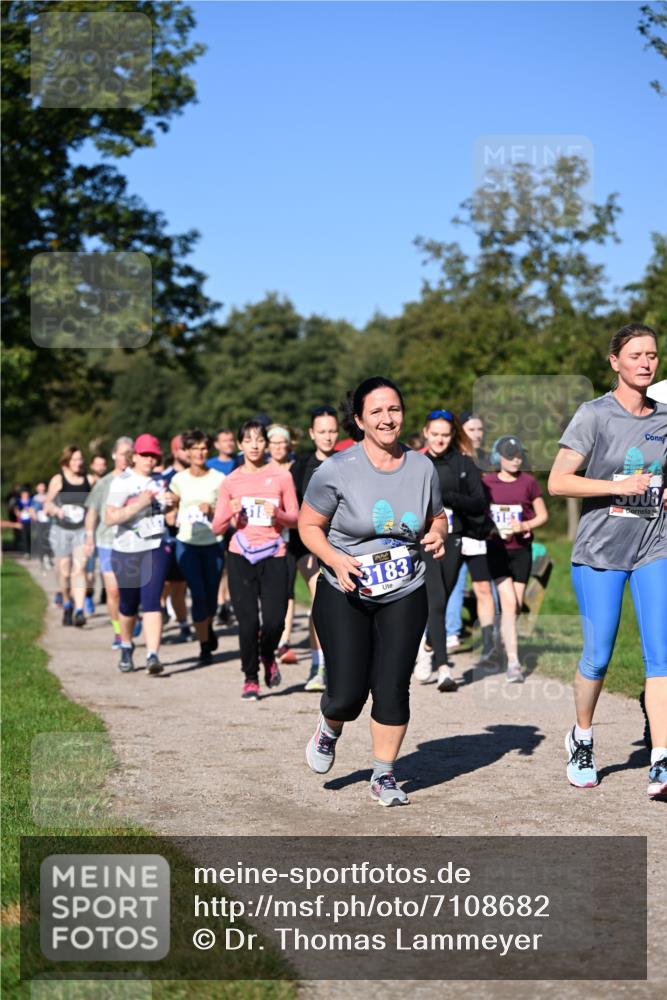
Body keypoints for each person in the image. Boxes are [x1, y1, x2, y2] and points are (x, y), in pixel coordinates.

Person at [299, 377, 447, 807]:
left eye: (394, 409)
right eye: (377, 411)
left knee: (392, 684)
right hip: (345, 589)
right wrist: (335, 558)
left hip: (405, 588)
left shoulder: (422, 467)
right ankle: (330, 728)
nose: (387, 418)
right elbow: (308, 527)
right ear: (360, 419)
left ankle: (383, 775)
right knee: (346, 693)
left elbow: (437, 517)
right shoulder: (336, 470)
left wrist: (437, 534)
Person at [548, 323, 666, 799]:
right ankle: (582, 737)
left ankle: (660, 757)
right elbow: (559, 481)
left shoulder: (666, 419)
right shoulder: (593, 415)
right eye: (635, 354)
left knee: (661, 657)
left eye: (652, 355)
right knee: (598, 658)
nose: (645, 362)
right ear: (615, 361)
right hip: (600, 551)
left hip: (654, 547)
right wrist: (616, 486)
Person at [211, 420, 299, 700]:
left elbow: (295, 519)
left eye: (259, 439)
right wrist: (230, 512)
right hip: (241, 555)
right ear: (239, 445)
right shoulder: (231, 481)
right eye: (248, 440)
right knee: (248, 623)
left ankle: (268, 656)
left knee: (274, 622)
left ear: (266, 444)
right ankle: (250, 677)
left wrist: (279, 516)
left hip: (274, 553)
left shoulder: (281, 476)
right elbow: (216, 527)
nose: (254, 445)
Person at [415, 409, 496, 691]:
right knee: (436, 601)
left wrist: (447, 498)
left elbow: (478, 503)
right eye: (434, 434)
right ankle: (443, 667)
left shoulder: (463, 463)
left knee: (442, 599)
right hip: (423, 540)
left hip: (455, 538)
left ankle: (427, 645)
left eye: (445, 435)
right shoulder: (415, 463)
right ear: (426, 433)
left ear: (453, 436)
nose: (439, 440)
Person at [105, 433, 175, 674]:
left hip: (155, 547)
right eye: (144, 455)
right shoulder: (122, 481)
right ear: (134, 456)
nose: (149, 460)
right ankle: (126, 645)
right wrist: (140, 504)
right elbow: (110, 517)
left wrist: (172, 503)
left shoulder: (160, 481)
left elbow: (169, 517)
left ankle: (152, 655)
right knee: (128, 604)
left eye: (154, 455)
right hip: (126, 550)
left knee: (152, 601)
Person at [483, 436, 548, 681]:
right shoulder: (486, 482)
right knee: (509, 604)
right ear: (498, 457)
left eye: (519, 454)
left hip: (522, 551)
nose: (515, 459)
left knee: (516, 606)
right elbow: (477, 514)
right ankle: (514, 663)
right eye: (510, 455)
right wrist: (487, 529)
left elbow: (543, 515)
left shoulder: (529, 482)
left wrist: (525, 525)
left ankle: (501, 642)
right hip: (497, 550)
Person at [289, 405, 340, 691]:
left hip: (344, 543)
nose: (328, 437)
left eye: (332, 431)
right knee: (320, 599)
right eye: (322, 431)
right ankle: (318, 666)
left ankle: (344, 664)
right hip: (308, 544)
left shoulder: (350, 461)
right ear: (311, 433)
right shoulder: (301, 467)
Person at [168, 430, 226, 665]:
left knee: (211, 596)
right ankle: (204, 646)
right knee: (198, 594)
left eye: (203, 448)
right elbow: (170, 507)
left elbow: (226, 511)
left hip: (213, 543)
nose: (200, 453)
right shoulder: (178, 480)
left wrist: (211, 510)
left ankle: (207, 627)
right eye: (195, 449)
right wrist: (171, 513)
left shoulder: (219, 478)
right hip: (187, 544)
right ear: (187, 452)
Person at [445, 411, 493, 651]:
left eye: (480, 430)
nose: (476, 434)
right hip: (453, 531)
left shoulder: (487, 460)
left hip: (478, 532)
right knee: (453, 583)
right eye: (471, 429)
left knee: (484, 586)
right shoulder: (450, 458)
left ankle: (489, 640)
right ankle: (450, 634)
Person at [84, 437, 134, 649]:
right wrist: (88, 537)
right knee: (113, 590)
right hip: (106, 541)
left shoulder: (137, 481)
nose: (126, 458)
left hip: (132, 541)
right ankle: (117, 631)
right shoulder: (103, 483)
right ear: (114, 455)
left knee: (132, 589)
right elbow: (92, 512)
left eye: (130, 454)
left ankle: (131, 618)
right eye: (122, 454)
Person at [44, 446, 94, 626]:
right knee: (64, 572)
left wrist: (90, 534)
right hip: (61, 531)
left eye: (80, 459)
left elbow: (92, 509)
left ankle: (79, 611)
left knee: (79, 570)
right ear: (66, 462)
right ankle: (67, 603)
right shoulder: (58, 480)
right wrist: (56, 510)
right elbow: (47, 505)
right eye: (74, 459)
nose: (78, 463)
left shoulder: (89, 480)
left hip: (80, 530)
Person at [266, 425, 300, 665]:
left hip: (294, 536)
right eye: (274, 443)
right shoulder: (260, 470)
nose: (278, 447)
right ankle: (269, 630)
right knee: (268, 589)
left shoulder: (297, 469)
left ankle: (284, 640)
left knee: (287, 588)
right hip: (267, 536)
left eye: (282, 443)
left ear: (289, 444)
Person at [162, 435, 194, 641]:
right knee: (163, 585)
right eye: (184, 449)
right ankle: (156, 615)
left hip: (192, 538)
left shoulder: (198, 475)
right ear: (175, 452)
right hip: (168, 539)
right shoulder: (164, 478)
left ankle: (183, 623)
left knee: (179, 586)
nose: (188, 453)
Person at [207, 427, 240, 625]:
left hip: (237, 522)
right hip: (218, 521)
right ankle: (220, 602)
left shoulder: (241, 462)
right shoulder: (210, 465)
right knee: (219, 565)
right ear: (216, 444)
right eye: (224, 440)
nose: (228, 443)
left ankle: (224, 602)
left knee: (230, 564)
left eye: (230, 439)